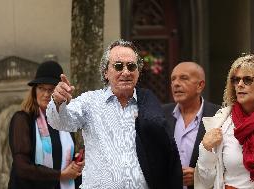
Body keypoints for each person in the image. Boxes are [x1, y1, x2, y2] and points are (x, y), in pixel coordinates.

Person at [46, 39, 183, 189]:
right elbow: (60, 122)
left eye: (131, 66)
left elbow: (164, 150)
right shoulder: (90, 101)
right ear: (106, 72)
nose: (126, 72)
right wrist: (58, 102)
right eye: (118, 66)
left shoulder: (148, 104)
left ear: (138, 72)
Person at [195, 54, 254, 189]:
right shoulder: (221, 124)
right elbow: (205, 182)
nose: (240, 84)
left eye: (247, 80)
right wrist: (205, 148)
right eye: (236, 80)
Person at [8, 61, 84, 189]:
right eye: (41, 88)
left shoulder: (64, 120)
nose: (46, 94)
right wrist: (60, 175)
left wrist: (76, 162)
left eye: (51, 89)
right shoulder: (23, 120)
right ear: (34, 90)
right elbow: (22, 168)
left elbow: (60, 156)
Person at [163, 62, 220, 189]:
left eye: (184, 78)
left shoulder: (218, 116)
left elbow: (229, 164)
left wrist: (200, 177)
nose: (176, 83)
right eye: (173, 79)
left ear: (200, 85)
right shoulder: (160, 115)